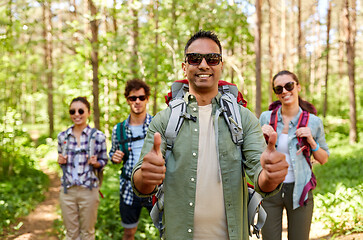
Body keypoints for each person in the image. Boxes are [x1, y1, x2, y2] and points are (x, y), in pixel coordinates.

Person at [131, 30, 289, 240]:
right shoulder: (163, 120)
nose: (204, 65)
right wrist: (147, 175)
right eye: (195, 59)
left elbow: (261, 178)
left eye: (212, 59)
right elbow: (141, 183)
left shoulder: (243, 119)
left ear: (221, 65)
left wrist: (270, 175)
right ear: (184, 67)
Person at [259, 70, 329, 240]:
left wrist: (312, 142)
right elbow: (256, 156)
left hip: (300, 191)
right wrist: (260, 137)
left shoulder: (313, 122)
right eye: (279, 88)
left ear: (298, 87)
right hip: (270, 190)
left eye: (289, 85)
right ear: (276, 93)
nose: (284, 91)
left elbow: (323, 158)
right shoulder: (266, 118)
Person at [57, 96, 108, 240]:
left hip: (89, 190)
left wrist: (96, 162)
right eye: (73, 111)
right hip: (67, 191)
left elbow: (104, 161)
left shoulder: (98, 136)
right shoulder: (62, 137)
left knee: (87, 233)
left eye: (81, 111)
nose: (77, 114)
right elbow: (63, 164)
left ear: (89, 112)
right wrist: (61, 160)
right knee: (71, 234)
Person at [109, 79, 153, 240]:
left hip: (155, 188)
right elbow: (113, 154)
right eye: (133, 98)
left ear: (147, 98)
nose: (137, 102)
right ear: (127, 100)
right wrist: (114, 158)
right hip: (128, 188)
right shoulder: (118, 129)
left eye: (141, 97)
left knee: (166, 230)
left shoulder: (157, 124)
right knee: (128, 233)